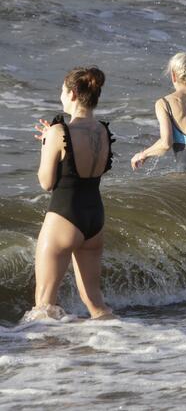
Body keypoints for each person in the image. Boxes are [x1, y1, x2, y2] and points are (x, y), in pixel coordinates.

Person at [25, 66, 115, 321]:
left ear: (73, 93)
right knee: (96, 302)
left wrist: (47, 143)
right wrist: (52, 139)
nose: (61, 96)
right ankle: (123, 343)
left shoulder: (57, 131)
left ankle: (46, 359)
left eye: (63, 91)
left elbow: (46, 182)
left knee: (44, 305)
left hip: (64, 216)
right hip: (94, 219)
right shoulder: (103, 132)